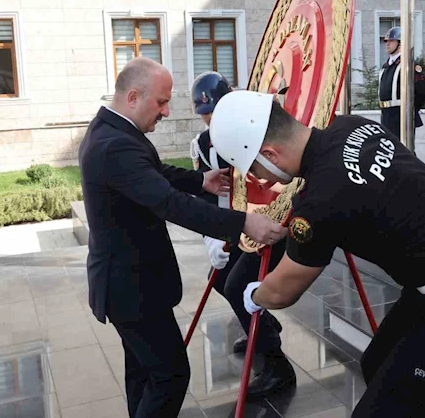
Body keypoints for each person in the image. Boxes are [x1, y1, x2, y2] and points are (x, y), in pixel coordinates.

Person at [208, 90, 425, 417]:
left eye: (254, 169)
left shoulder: (320, 203)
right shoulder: (352, 127)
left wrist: (253, 294)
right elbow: (355, 191)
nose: (257, 179)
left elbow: (282, 290)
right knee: (377, 363)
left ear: (270, 154)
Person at [78, 59, 286, 418]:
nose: (166, 111)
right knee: (171, 375)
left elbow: (154, 173)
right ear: (132, 96)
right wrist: (244, 224)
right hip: (132, 288)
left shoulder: (114, 131)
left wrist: (199, 180)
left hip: (129, 284)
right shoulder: (114, 145)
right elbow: (169, 204)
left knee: (143, 374)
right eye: (160, 102)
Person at [190, 71, 296, 398]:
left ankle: (277, 366)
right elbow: (209, 197)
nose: (210, 120)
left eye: (214, 112)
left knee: (238, 285)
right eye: (205, 115)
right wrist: (211, 238)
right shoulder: (204, 145)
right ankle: (262, 326)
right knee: (221, 277)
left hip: (279, 222)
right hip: (241, 226)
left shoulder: (261, 128)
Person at [377, 26, 425, 142]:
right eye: (386, 41)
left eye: (391, 40)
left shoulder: (408, 65)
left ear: (400, 43)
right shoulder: (386, 66)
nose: (387, 44)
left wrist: (409, 110)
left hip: (401, 116)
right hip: (386, 116)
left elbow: (421, 92)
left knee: (404, 151)